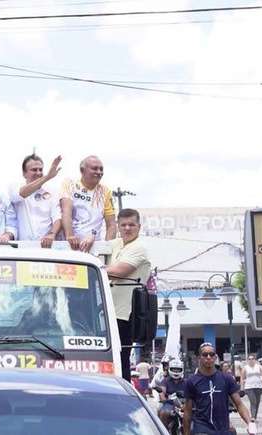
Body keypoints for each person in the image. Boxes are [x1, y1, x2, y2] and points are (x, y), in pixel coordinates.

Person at [105, 208, 151, 381]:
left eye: (131, 224)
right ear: (118, 226)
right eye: (123, 225)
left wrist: (95, 268)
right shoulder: (114, 244)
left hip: (125, 314)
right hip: (106, 312)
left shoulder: (139, 248)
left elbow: (118, 271)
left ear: (139, 227)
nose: (127, 228)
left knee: (120, 359)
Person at [183, 343, 255, 435]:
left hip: (223, 429)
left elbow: (239, 404)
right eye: (205, 354)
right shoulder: (191, 381)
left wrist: (249, 423)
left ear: (215, 357)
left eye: (212, 354)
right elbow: (188, 412)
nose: (208, 357)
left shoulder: (226, 379)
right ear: (199, 358)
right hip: (201, 428)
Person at [60, 155, 116, 252]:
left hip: (92, 247)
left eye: (101, 169)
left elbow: (111, 224)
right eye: (94, 169)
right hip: (68, 246)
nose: (99, 172)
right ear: (82, 170)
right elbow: (66, 211)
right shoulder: (69, 183)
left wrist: (107, 248)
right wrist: (70, 235)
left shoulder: (105, 191)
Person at [9, 154, 62, 247]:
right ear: (24, 173)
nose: (38, 173)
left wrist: (52, 234)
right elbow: (20, 194)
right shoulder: (15, 187)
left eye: (40, 169)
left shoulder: (52, 191)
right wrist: (47, 177)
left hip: (46, 246)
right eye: (34, 170)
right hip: (23, 247)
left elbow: (57, 217)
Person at [239, 354, 262, 420]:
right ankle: (252, 417)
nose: (251, 360)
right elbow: (242, 378)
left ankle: (254, 417)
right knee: (253, 402)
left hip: (258, 386)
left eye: (252, 359)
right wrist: (242, 388)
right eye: (249, 359)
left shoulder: (259, 367)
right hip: (249, 387)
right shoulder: (245, 368)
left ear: (255, 360)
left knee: (257, 402)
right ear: (247, 360)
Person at [158, 359, 187, 430]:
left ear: (182, 370)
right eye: (174, 369)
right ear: (169, 369)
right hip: (169, 403)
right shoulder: (165, 381)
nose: (176, 372)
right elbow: (162, 393)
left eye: (178, 370)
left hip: (184, 404)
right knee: (163, 413)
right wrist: (163, 398)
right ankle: (163, 431)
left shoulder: (187, 382)